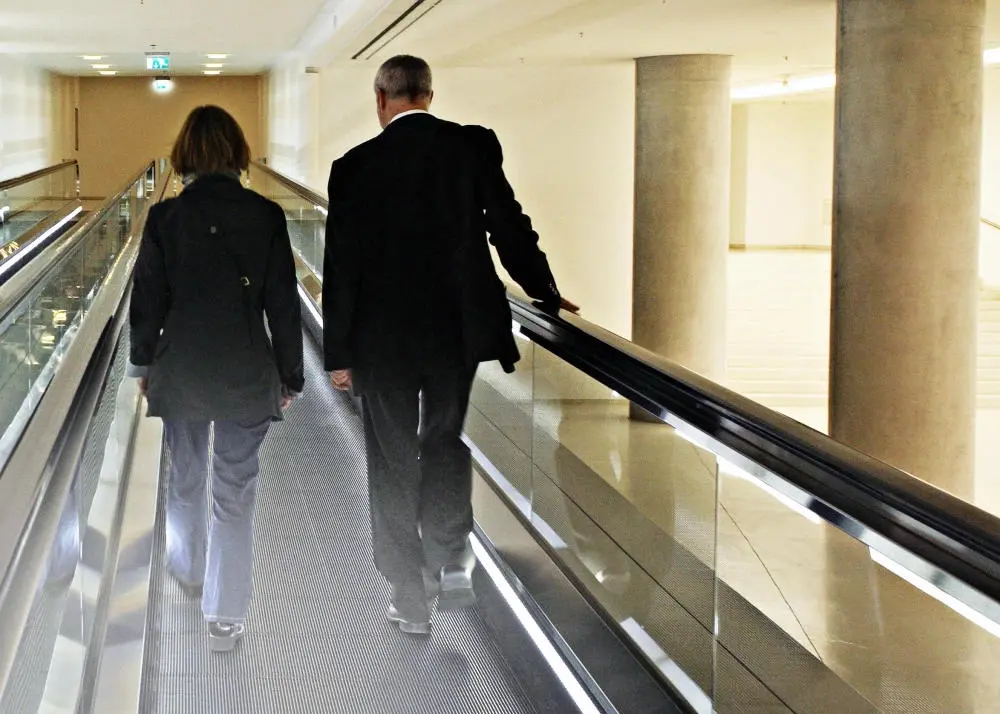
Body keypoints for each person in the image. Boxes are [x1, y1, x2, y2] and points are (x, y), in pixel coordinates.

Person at [323, 55, 577, 635]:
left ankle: (409, 594)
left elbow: (342, 267)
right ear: (429, 96)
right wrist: (546, 289)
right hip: (453, 334)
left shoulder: (354, 166)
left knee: (389, 460)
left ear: (381, 101)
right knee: (442, 438)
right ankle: (448, 559)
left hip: (381, 342)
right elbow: (509, 225)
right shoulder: (473, 147)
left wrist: (339, 354)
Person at [128, 105, 304, 652]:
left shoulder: (165, 220)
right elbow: (283, 305)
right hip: (246, 372)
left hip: (181, 370)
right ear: (236, 153)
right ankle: (225, 616)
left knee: (186, 475)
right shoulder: (266, 215)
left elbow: (148, 299)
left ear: (185, 155)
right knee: (235, 492)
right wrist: (291, 377)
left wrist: (142, 365)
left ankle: (187, 570)